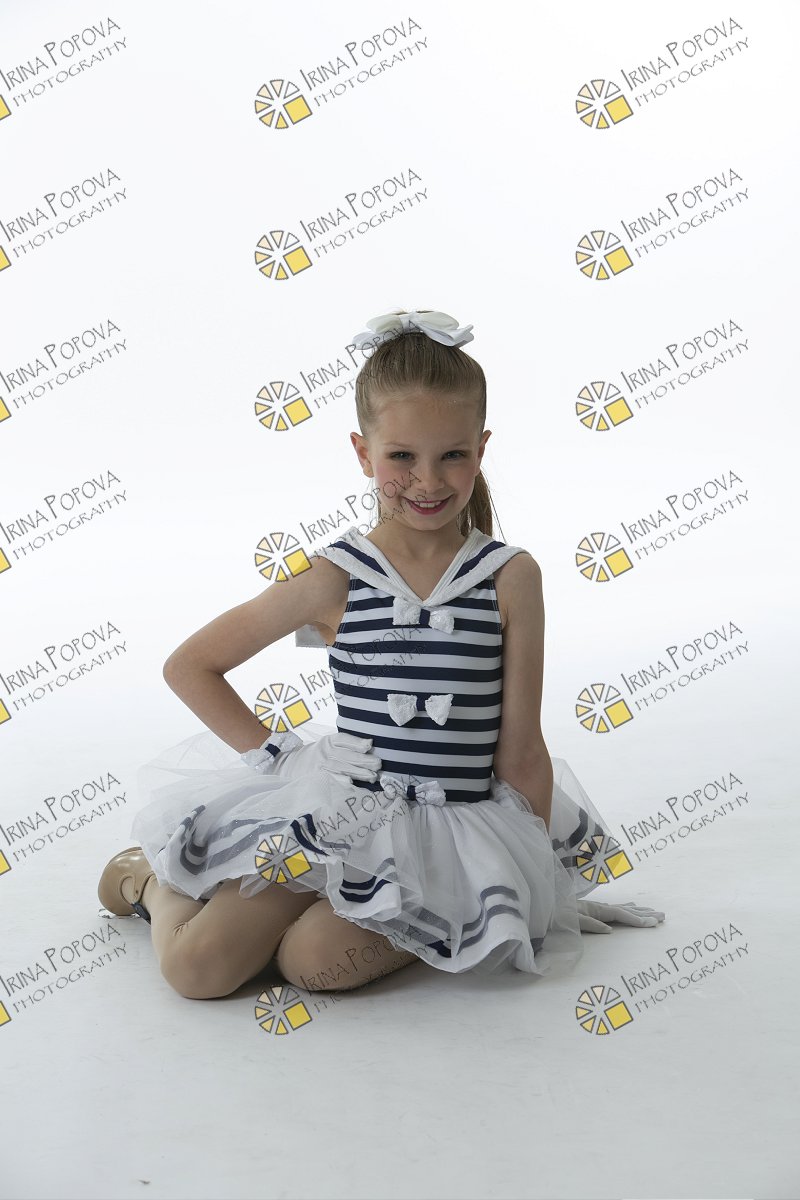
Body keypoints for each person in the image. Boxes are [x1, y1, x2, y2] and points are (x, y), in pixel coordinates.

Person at [97, 306, 665, 1000]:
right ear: (364, 453)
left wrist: (531, 880)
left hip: (452, 835)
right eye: (402, 457)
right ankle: (153, 883)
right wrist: (280, 757)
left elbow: (521, 748)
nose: (428, 480)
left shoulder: (510, 577)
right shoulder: (333, 577)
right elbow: (190, 666)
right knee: (197, 973)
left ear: (481, 449)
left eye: (452, 454)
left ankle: (339, 913)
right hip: (343, 812)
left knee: (315, 965)